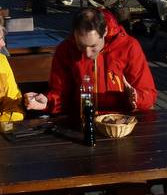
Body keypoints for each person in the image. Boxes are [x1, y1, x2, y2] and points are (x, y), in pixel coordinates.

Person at [25, 8, 157, 115]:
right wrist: (47, 101)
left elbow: (148, 94)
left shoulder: (128, 47)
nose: (87, 53)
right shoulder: (66, 49)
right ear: (74, 34)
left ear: (105, 32)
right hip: (80, 121)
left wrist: (136, 98)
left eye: (93, 46)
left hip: (120, 121)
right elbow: (60, 93)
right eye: (81, 45)